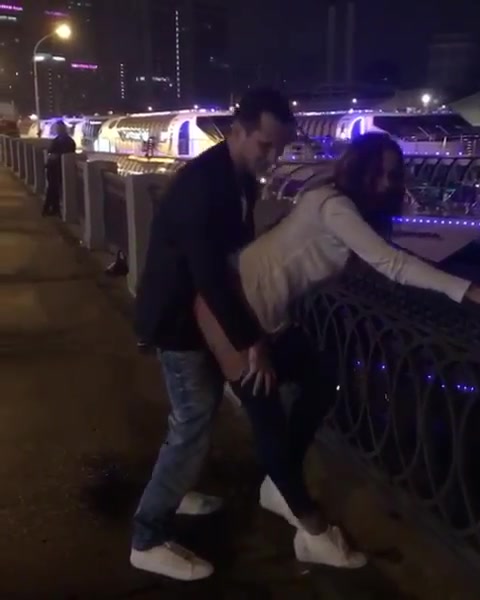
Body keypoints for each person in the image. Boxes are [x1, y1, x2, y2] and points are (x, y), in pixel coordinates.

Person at [193, 132, 480, 570]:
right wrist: (467, 290)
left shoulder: (337, 205)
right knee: (266, 417)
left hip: (265, 314)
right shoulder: (334, 205)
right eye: (377, 173)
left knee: (322, 377)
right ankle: (312, 532)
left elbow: (381, 255)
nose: (385, 183)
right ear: (357, 170)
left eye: (392, 175)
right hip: (233, 313)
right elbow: (392, 263)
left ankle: (279, 486)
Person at [132, 88, 296, 580]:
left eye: (280, 147)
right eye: (265, 145)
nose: (273, 157)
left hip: (195, 316)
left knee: (190, 417)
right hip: (179, 320)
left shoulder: (235, 177)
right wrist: (251, 341)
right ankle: (148, 536)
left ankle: (176, 490)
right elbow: (209, 275)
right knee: (193, 420)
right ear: (238, 132)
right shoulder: (204, 186)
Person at [42, 120, 76, 217]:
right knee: (53, 189)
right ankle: (53, 209)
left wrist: (56, 156)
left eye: (58, 128)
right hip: (54, 168)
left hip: (60, 167)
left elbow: (68, 154)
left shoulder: (66, 141)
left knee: (52, 188)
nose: (57, 130)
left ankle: (48, 209)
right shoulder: (60, 140)